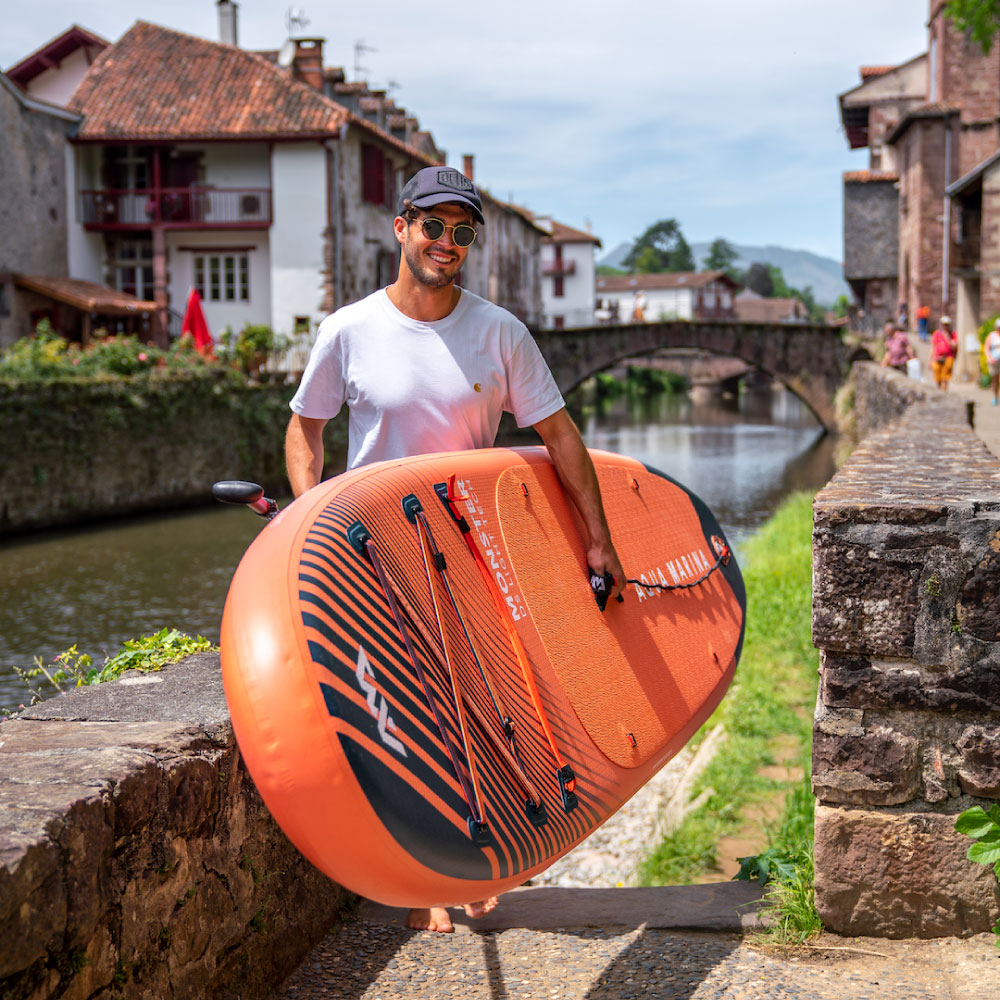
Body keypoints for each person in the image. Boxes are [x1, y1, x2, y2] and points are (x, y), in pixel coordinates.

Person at [285, 165, 626, 934]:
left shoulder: (500, 332)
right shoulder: (349, 329)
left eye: (461, 231)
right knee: (406, 723)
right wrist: (306, 519)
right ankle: (421, 881)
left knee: (492, 713)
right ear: (400, 227)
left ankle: (486, 859)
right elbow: (306, 427)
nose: (446, 242)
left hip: (471, 552)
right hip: (370, 557)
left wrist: (598, 541)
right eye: (432, 226)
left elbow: (561, 438)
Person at [930, 315, 958, 390]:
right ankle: (940, 391)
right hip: (938, 357)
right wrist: (931, 359)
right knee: (938, 378)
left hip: (948, 357)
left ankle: (944, 392)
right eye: (943, 325)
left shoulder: (952, 334)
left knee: (945, 378)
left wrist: (947, 337)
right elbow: (933, 347)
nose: (945, 326)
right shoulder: (936, 333)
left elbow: (954, 346)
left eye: (946, 325)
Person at [984, 318, 1000, 406]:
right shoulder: (991, 336)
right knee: (995, 380)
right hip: (994, 361)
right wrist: (989, 358)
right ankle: (995, 397)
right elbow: (986, 348)